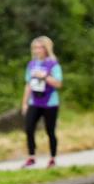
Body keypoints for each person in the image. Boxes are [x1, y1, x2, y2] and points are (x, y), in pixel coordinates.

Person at [20, 36, 63, 168]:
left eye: (40, 47)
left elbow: (58, 84)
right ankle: (31, 156)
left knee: (50, 131)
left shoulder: (53, 64)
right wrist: (24, 103)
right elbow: (28, 84)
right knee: (29, 128)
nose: (37, 50)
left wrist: (44, 76)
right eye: (35, 48)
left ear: (46, 49)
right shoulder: (31, 64)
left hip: (50, 103)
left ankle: (52, 158)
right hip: (35, 101)